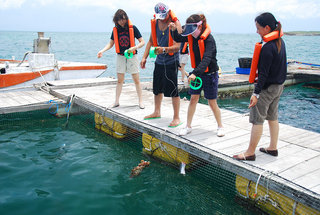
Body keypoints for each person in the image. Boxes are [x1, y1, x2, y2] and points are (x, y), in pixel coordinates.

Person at [233, 12, 287, 161]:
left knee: (257, 119)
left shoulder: (268, 47)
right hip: (278, 87)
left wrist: (256, 94)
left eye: (258, 28)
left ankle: (250, 152)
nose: (257, 31)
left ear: (267, 28)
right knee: (272, 117)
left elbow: (262, 75)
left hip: (267, 89)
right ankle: (273, 147)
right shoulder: (280, 42)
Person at [170, 13, 225, 137]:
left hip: (210, 74)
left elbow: (206, 59)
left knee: (212, 102)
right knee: (193, 99)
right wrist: (173, 30)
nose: (191, 33)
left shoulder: (209, 40)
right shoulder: (191, 37)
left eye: (192, 30)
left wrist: (194, 73)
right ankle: (188, 126)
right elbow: (178, 38)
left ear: (199, 27)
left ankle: (220, 126)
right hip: (197, 74)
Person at [140, 2, 182, 127]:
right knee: (157, 89)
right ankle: (156, 111)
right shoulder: (156, 22)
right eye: (160, 16)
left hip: (171, 61)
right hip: (159, 61)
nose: (162, 18)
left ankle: (176, 117)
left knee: (173, 90)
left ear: (169, 12)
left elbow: (177, 46)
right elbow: (151, 41)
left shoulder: (176, 24)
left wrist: (163, 49)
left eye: (164, 15)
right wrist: (144, 57)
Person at [97, 9, 145, 109]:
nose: (122, 21)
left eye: (123, 19)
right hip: (120, 56)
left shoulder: (133, 28)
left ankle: (141, 101)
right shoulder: (115, 30)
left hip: (132, 56)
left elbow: (142, 42)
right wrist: (102, 51)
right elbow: (111, 43)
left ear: (126, 18)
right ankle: (116, 101)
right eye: (119, 20)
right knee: (120, 80)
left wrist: (134, 48)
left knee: (136, 80)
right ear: (116, 21)